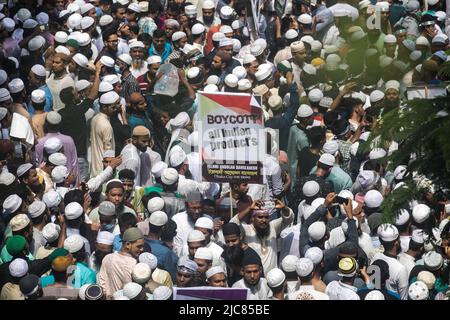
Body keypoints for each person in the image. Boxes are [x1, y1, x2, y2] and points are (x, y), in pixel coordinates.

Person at [97, 227, 144, 299]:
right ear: (128, 244)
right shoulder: (134, 264)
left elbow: (101, 283)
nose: (142, 249)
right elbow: (133, 293)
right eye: (139, 246)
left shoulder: (107, 258)